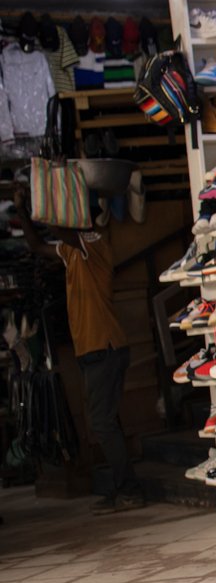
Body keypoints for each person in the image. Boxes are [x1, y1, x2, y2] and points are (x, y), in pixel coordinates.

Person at [15, 193, 142, 513]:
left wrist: (42, 197)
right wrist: (21, 210)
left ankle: (128, 489)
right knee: (104, 421)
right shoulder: (71, 251)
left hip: (105, 347)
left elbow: (59, 231)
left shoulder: (93, 242)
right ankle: (124, 486)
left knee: (101, 423)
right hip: (95, 350)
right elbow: (36, 246)